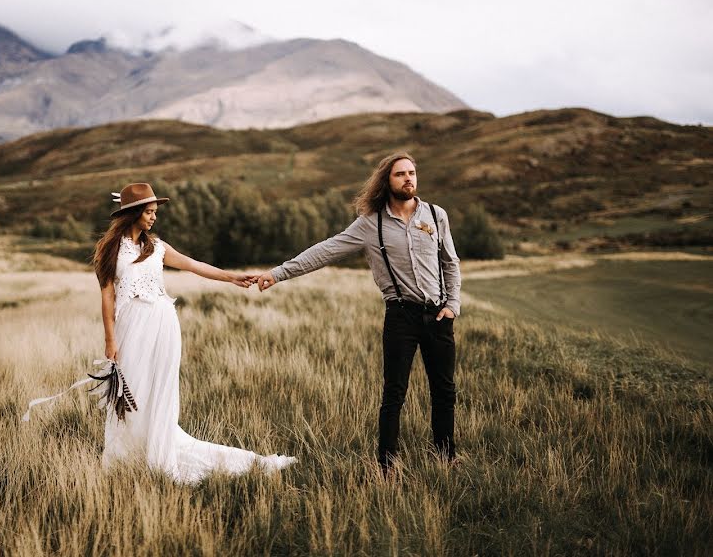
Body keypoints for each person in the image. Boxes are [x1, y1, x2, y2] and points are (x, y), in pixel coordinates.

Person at [24, 183, 297, 485]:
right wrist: (110, 340)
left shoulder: (157, 247)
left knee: (160, 391)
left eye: (155, 212)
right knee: (131, 393)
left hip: (164, 324)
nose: (154, 217)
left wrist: (231, 278)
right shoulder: (110, 250)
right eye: (149, 212)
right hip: (131, 327)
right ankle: (127, 455)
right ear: (133, 213)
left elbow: (193, 265)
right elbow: (107, 297)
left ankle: (159, 452)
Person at [255, 153, 461, 474]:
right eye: (400, 174)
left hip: (438, 316)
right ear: (387, 181)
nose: (408, 178)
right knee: (394, 393)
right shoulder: (370, 224)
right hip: (400, 316)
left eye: (412, 173)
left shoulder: (436, 215)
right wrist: (279, 273)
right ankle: (387, 466)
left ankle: (446, 457)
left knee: (444, 390)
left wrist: (452, 305)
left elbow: (450, 262)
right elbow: (325, 250)